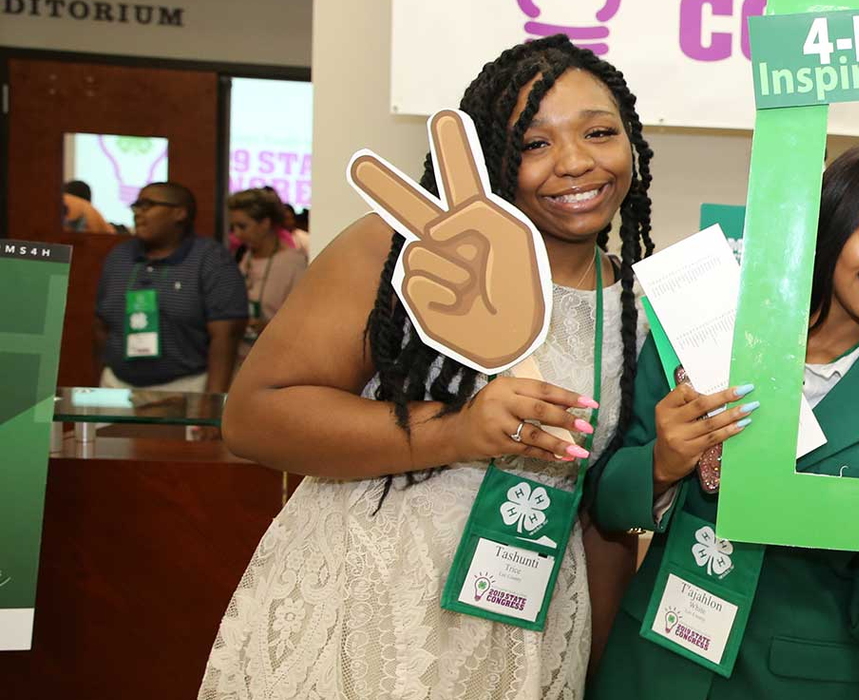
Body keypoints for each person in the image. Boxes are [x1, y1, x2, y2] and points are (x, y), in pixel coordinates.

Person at [199, 35, 654, 698]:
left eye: (599, 132)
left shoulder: (633, 308)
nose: (575, 163)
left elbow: (602, 520)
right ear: (490, 152)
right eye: (534, 143)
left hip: (526, 633)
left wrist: (599, 676)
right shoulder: (411, 254)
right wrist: (457, 430)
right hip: (370, 613)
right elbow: (254, 417)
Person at [587, 134, 859, 699]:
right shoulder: (707, 333)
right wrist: (661, 466)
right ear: (831, 220)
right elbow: (608, 507)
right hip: (653, 670)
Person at [93, 181, 247, 393]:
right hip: (117, 385)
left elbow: (225, 337)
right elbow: (101, 325)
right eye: (136, 206)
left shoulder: (211, 260)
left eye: (148, 205)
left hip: (187, 388)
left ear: (179, 213)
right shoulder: (119, 257)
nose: (138, 212)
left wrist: (212, 402)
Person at [226, 187, 310, 362]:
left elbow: (303, 322)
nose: (236, 234)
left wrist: (269, 327)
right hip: (238, 359)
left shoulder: (293, 263)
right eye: (233, 227)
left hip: (275, 360)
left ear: (265, 223)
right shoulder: (243, 256)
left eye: (242, 226)